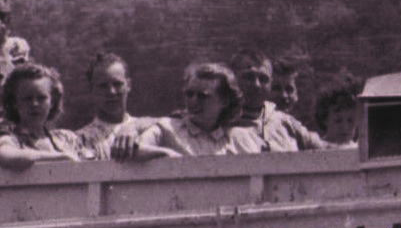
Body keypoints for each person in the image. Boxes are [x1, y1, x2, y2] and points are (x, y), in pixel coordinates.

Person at [110, 61, 264, 160]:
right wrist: (165, 154)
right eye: (189, 94)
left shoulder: (239, 138)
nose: (193, 101)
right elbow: (136, 149)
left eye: (203, 96)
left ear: (224, 101)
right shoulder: (167, 128)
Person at [0, 64, 88, 167]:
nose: (34, 104)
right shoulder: (9, 138)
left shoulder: (66, 139)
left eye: (41, 98)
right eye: (27, 99)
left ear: (52, 102)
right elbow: (4, 156)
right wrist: (59, 157)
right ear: (15, 103)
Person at [231, 51, 327, 151]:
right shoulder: (222, 124)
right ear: (233, 79)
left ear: (270, 83)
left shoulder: (284, 121)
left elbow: (324, 148)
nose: (257, 85)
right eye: (249, 77)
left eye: (263, 79)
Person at [72, 51, 162, 158]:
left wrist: (134, 126)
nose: (111, 91)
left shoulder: (148, 129)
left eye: (117, 84)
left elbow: (175, 121)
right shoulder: (80, 140)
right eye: (103, 86)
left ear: (128, 85)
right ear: (92, 89)